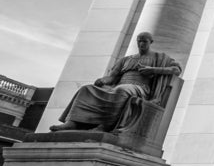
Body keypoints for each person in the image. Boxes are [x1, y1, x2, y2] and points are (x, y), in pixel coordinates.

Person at [49, 32, 181, 133]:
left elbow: (176, 69)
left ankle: (106, 125)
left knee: (121, 90)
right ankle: (72, 122)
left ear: (151, 42)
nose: (141, 44)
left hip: (140, 87)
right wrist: (102, 80)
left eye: (145, 41)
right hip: (119, 84)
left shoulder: (159, 58)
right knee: (86, 89)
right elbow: (112, 77)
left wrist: (153, 70)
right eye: (139, 41)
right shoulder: (126, 59)